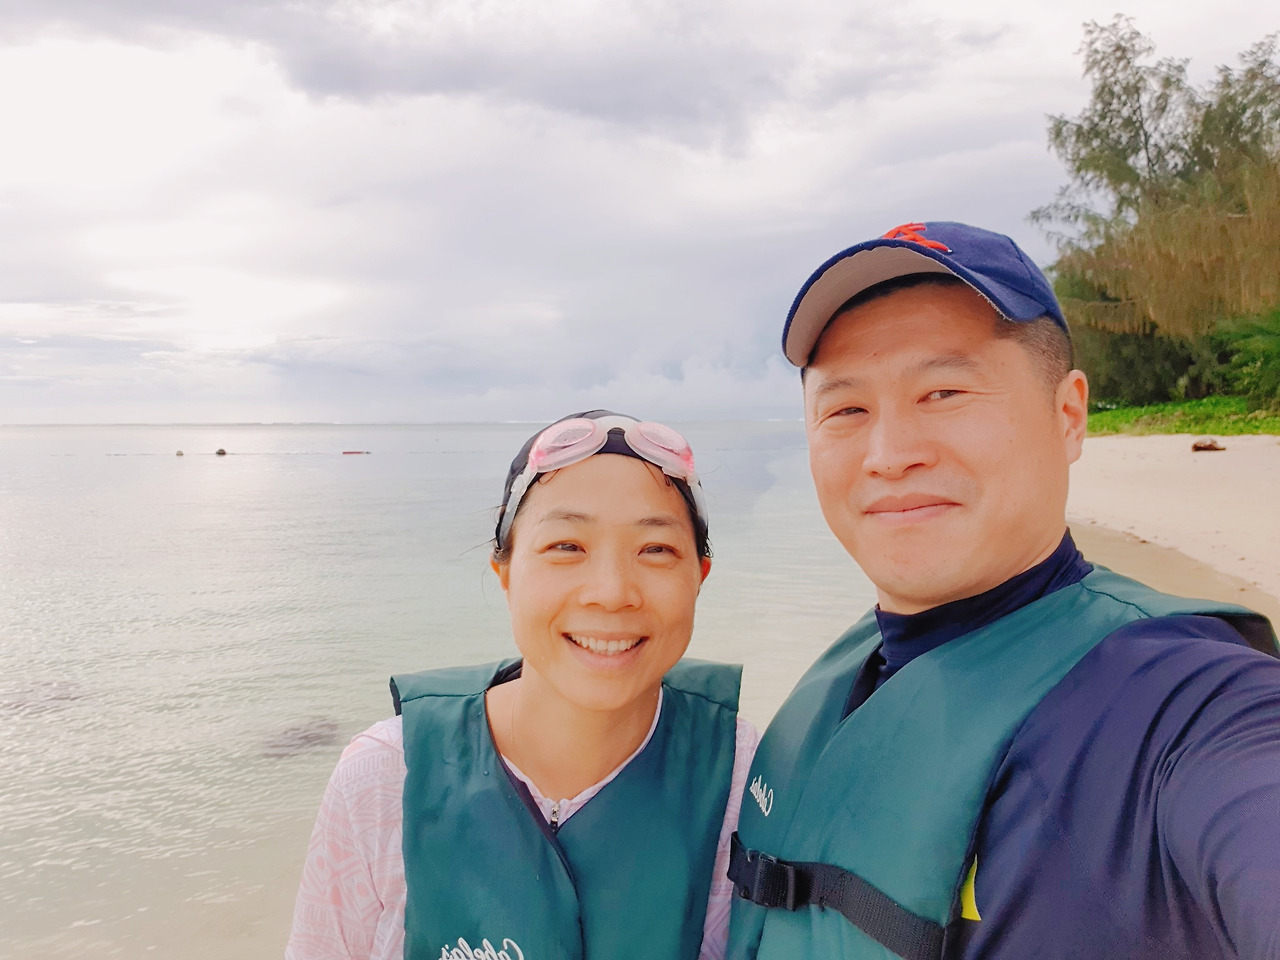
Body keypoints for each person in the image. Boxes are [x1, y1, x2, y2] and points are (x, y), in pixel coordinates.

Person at [726, 221, 1280, 960]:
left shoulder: (1185, 705)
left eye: (943, 391)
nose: (888, 455)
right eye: (847, 409)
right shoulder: (854, 670)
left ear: (1068, 415)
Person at [287, 410, 758, 960]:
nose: (611, 593)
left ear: (699, 576)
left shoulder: (745, 777)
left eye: (656, 549)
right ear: (505, 571)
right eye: (567, 546)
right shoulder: (386, 776)